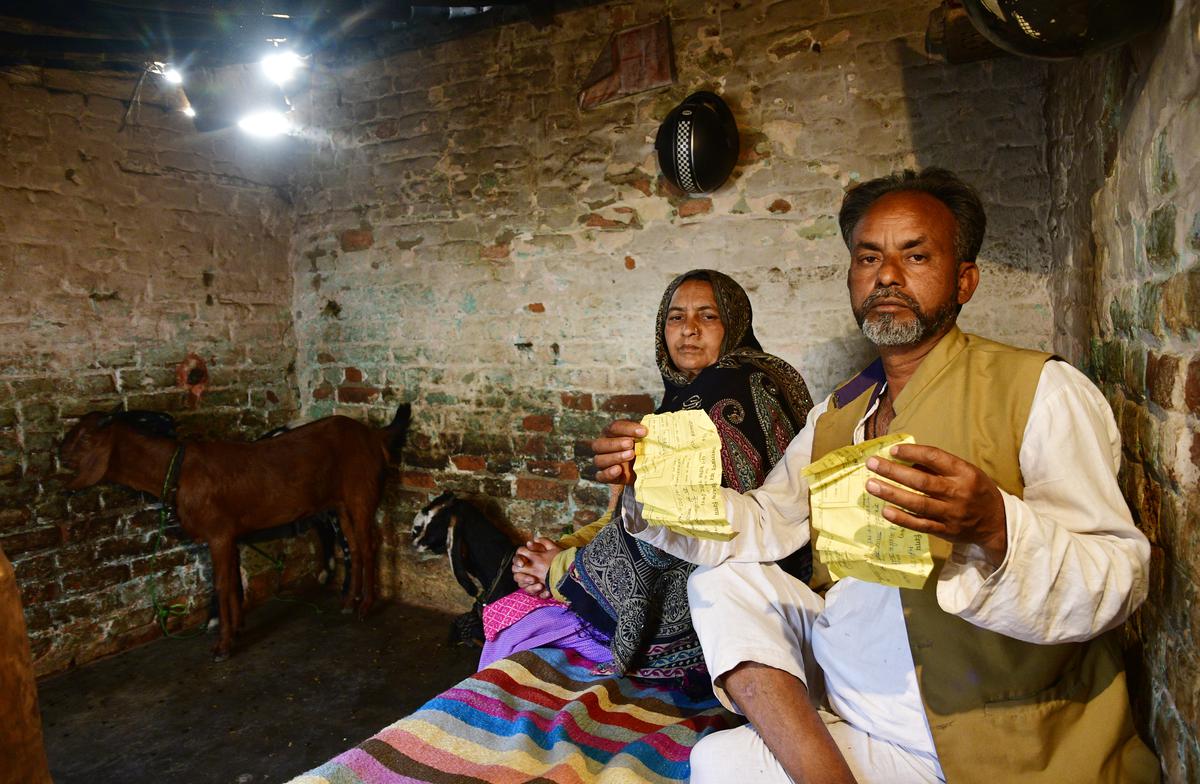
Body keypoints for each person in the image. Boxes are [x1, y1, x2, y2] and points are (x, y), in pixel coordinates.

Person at [591, 169, 1159, 782]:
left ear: (964, 279)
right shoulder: (840, 413)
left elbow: (1117, 580)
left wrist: (996, 528)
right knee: (720, 594)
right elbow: (765, 520)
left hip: (979, 734)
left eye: (915, 255)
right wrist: (649, 485)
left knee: (721, 767)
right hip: (854, 694)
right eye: (868, 257)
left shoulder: (1040, 389)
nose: (887, 275)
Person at [480, 269, 814, 689]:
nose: (689, 330)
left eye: (707, 316)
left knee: (518, 629)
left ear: (734, 325)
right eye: (676, 318)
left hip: (723, 598)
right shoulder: (680, 403)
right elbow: (630, 514)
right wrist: (565, 547)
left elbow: (690, 533)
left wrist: (561, 572)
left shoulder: (734, 387)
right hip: (698, 578)